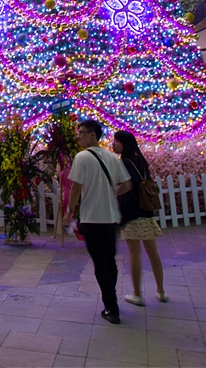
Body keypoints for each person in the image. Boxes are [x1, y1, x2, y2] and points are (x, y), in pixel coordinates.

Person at [70, 119, 132, 324]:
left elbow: (76, 188)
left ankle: (111, 306)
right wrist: (112, 193)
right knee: (109, 260)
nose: (79, 136)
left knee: (100, 262)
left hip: (91, 218)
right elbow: (127, 184)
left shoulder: (82, 157)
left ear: (93, 135)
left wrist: (69, 211)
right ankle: (111, 298)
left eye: (82, 133)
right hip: (111, 218)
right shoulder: (113, 158)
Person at [112, 130, 166, 306]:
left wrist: (112, 193)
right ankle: (161, 290)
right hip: (146, 210)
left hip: (131, 212)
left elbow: (127, 186)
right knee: (153, 252)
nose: (114, 144)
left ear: (124, 144)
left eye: (117, 141)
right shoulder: (140, 160)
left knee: (134, 253)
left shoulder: (124, 163)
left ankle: (137, 293)